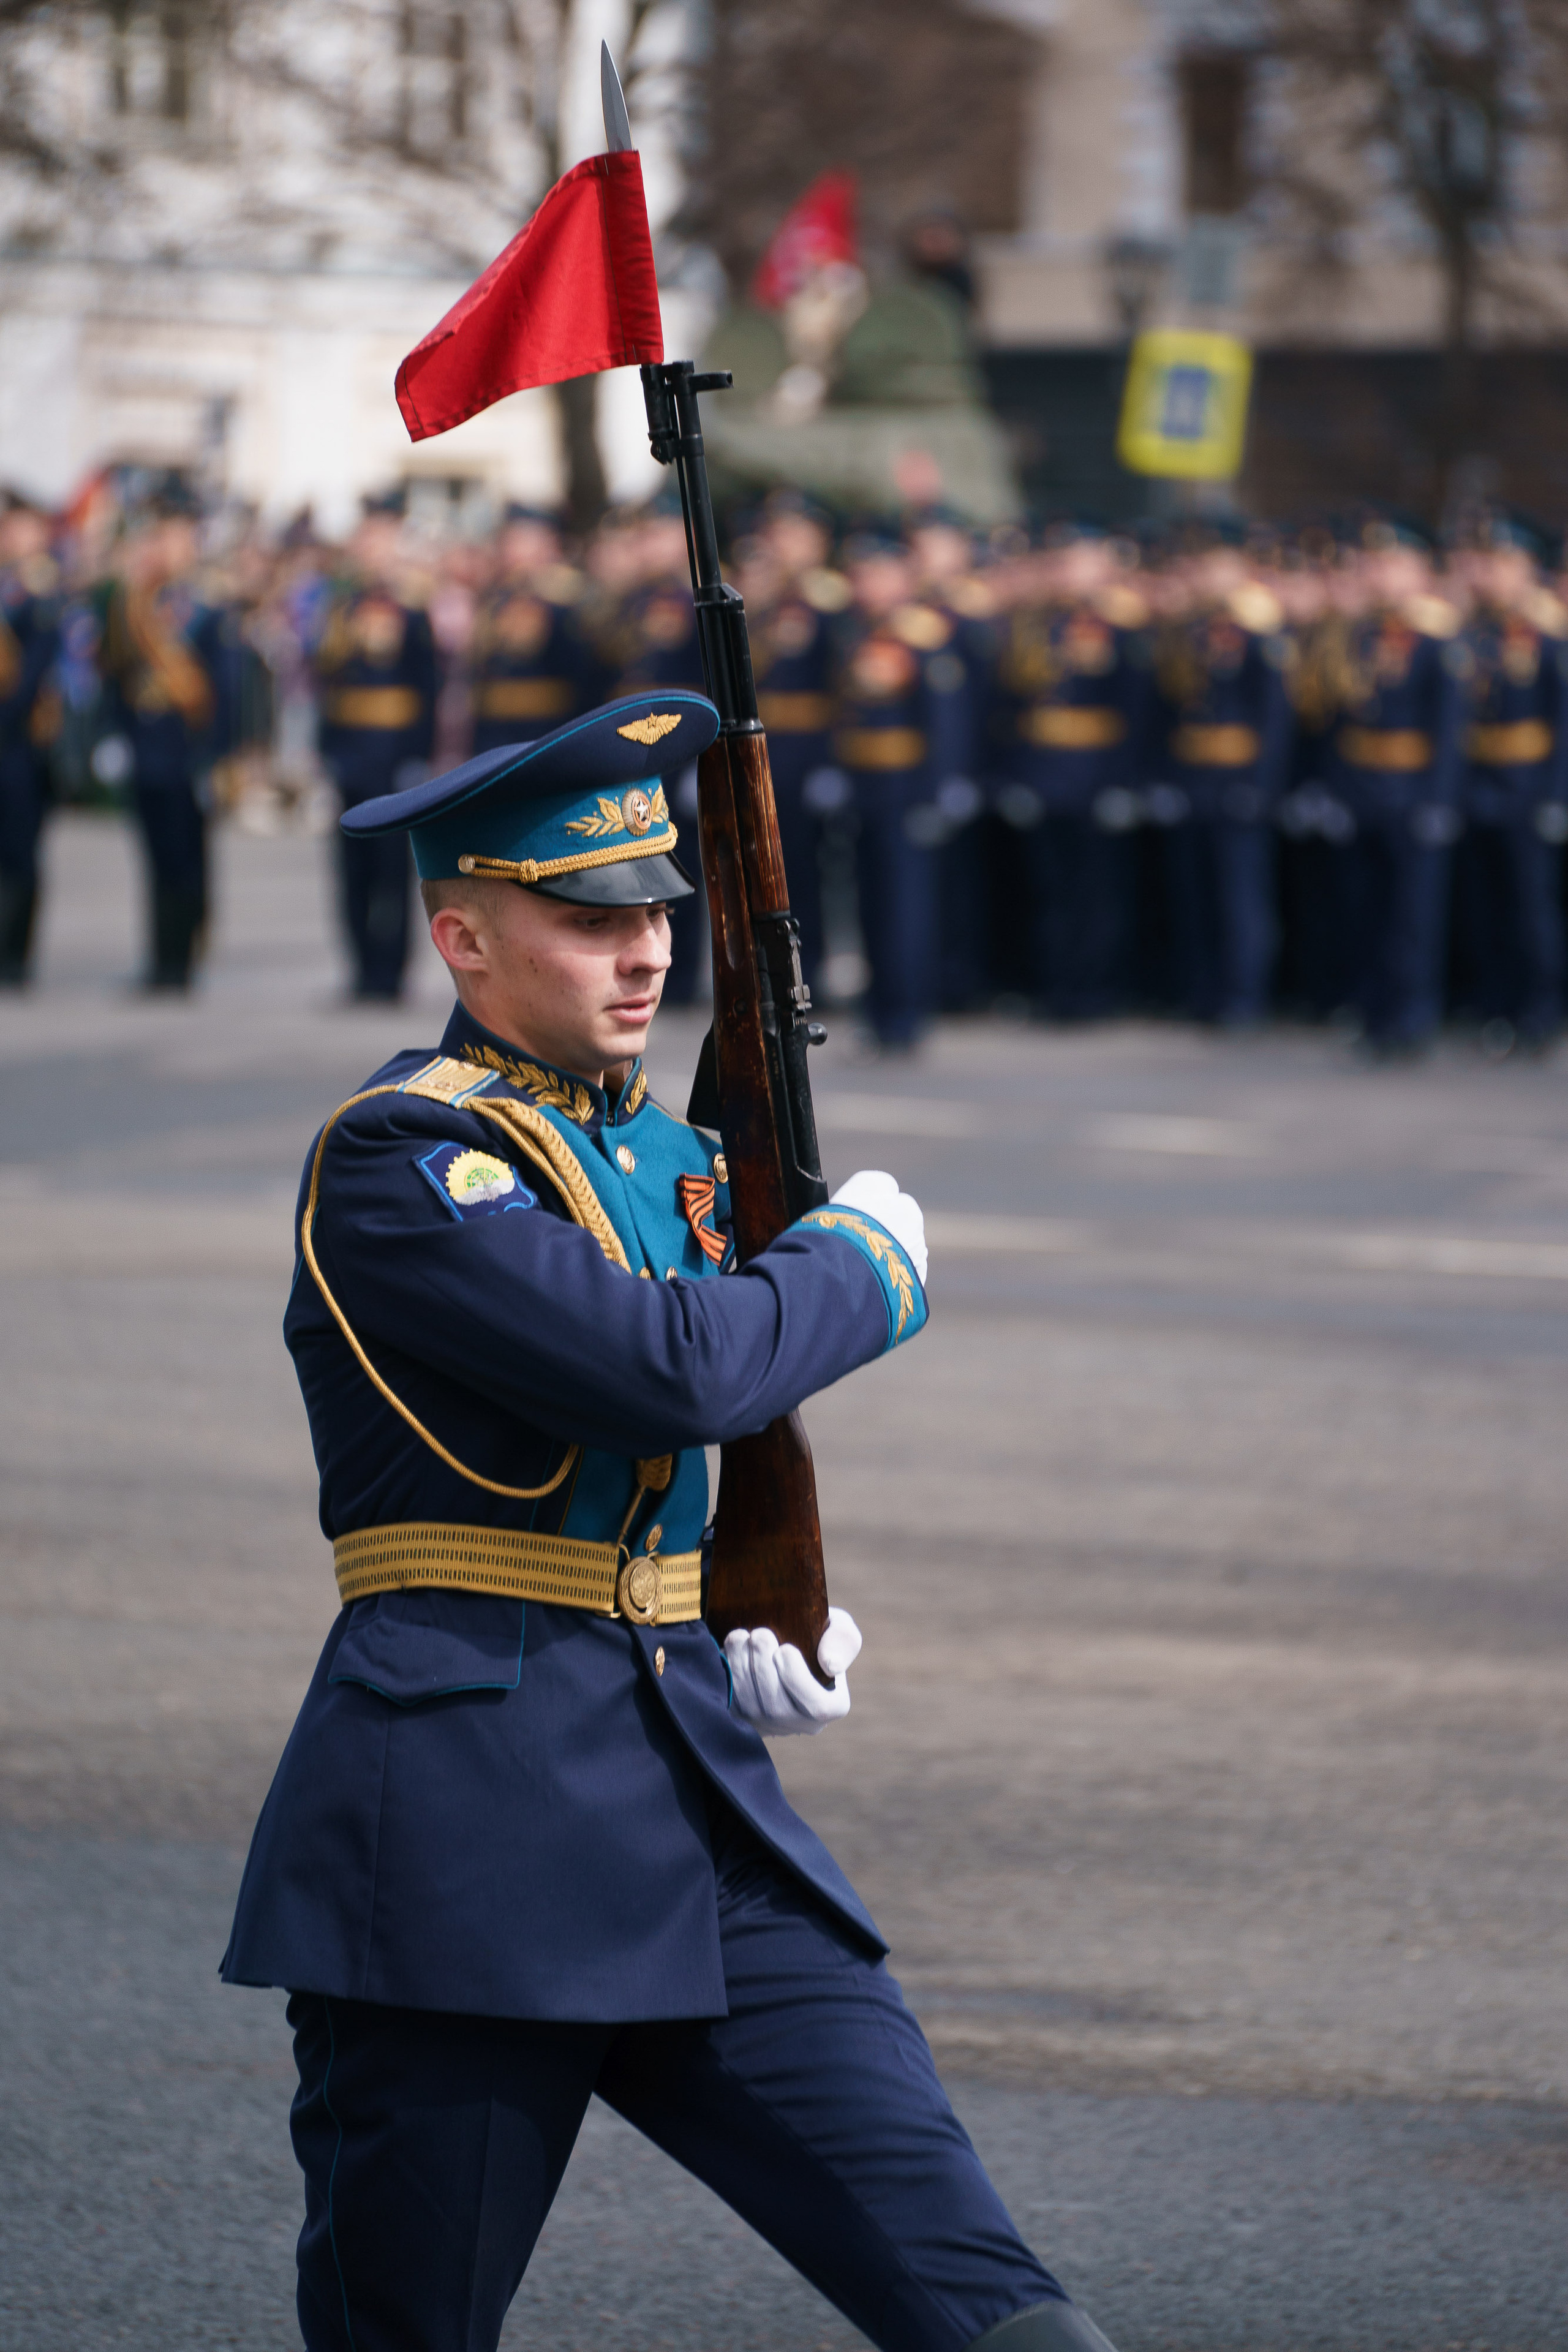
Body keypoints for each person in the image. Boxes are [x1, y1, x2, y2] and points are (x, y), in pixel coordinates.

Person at [221, 689, 1117, 2352]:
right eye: (586, 920)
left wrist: (740, 1599)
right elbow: (672, 1370)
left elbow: (686, 1451)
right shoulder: (406, 1162)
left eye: (654, 915)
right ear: (464, 940)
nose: (640, 955)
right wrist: (862, 1269)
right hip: (464, 1849)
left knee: (992, 2309)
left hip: (702, 1816)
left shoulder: (668, 1154)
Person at [989, 525, 1148, 1022]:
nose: (1065, 570)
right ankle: (1058, 987)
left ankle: (1094, 991)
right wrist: (1019, 776)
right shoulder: (1037, 622)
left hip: (1097, 775)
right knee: (1051, 891)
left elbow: (1137, 711)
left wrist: (1124, 783)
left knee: (1097, 895)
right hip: (1047, 776)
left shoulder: (1122, 622)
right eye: (1058, 560)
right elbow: (1015, 708)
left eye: (1076, 559)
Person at [1329, 521, 1468, 1052]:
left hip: (1414, 793)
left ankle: (1410, 1019)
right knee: (1366, 911)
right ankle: (1374, 1014)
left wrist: (1439, 800)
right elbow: (1347, 724)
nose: (1376, 574)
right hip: (1366, 791)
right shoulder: (1363, 634)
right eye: (1371, 564)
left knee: (1412, 919)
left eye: (1389, 563)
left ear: (1418, 569)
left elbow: (1449, 728)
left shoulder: (1437, 639)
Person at [1151, 533, 1292, 1027]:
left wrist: (1259, 785)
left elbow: (1273, 718)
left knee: (1240, 898)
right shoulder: (1195, 626)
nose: (1208, 574)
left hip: (1239, 777)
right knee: (1199, 894)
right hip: (1197, 777)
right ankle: (1205, 991)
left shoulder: (1259, 626)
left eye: (1218, 564)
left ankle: (1243, 996)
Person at [97, 497, 228, 991]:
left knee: (187, 860)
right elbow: (116, 673)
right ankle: (159, 959)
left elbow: (225, 689)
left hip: (186, 751)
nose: (165, 547)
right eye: (158, 536)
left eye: (176, 536)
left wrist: (215, 760)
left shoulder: (207, 602)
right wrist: (114, 734)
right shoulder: (132, 602)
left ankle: (184, 959)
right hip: (145, 746)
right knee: (154, 861)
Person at [1450, 516, 1567, 1049]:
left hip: (1531, 785)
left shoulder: (1549, 632)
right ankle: (1497, 1006)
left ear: (1526, 567)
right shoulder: (1480, 629)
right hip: (1484, 780)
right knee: (1488, 906)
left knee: (1532, 910)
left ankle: (1539, 1014)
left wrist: (1557, 794)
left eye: (1500, 563)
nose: (1488, 574)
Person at [315, 498, 438, 1000]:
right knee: (352, 870)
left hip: (393, 752)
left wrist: (418, 753)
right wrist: (326, 747)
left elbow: (427, 684)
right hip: (350, 752)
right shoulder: (341, 606)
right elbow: (328, 681)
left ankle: (390, 973)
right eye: (367, 537)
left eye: (382, 537)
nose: (372, 547)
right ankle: (360, 968)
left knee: (392, 869)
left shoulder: (413, 605)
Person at [469, 504, 600, 756]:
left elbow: (584, 673)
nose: (510, 549)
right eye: (510, 540)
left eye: (521, 540)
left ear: (546, 545)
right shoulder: (494, 597)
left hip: (551, 729)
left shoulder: (568, 597)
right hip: (495, 732)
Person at [0, 493, 61, 986]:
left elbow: (32, 673)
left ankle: (14, 956)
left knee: (19, 850)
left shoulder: (40, 595)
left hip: (20, 741)